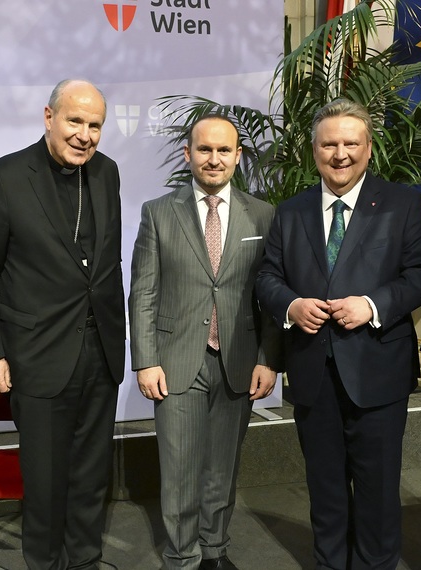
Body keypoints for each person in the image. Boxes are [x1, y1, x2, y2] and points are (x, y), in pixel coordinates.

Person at [256, 98, 421, 569]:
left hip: (378, 372)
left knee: (377, 495)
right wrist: (291, 304)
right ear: (315, 151)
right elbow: (267, 277)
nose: (340, 153)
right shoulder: (289, 212)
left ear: (368, 149)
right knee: (325, 494)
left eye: (351, 143)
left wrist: (371, 305)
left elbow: (419, 275)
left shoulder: (403, 204)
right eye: (329, 144)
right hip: (313, 373)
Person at [0, 79, 124, 570]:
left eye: (94, 124)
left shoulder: (108, 173)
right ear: (48, 117)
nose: (85, 135)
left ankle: (85, 560)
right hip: (37, 355)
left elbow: (106, 266)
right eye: (75, 121)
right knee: (44, 480)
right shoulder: (5, 177)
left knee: (90, 475)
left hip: (99, 351)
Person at [129, 114, 283, 570]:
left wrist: (268, 359)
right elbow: (143, 292)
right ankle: (182, 556)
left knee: (222, 468)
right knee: (179, 471)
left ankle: (215, 550)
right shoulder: (159, 212)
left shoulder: (263, 213)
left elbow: (270, 293)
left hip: (238, 359)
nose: (213, 159)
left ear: (238, 156)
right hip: (176, 362)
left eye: (223, 151)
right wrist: (145, 360)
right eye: (204, 150)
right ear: (188, 154)